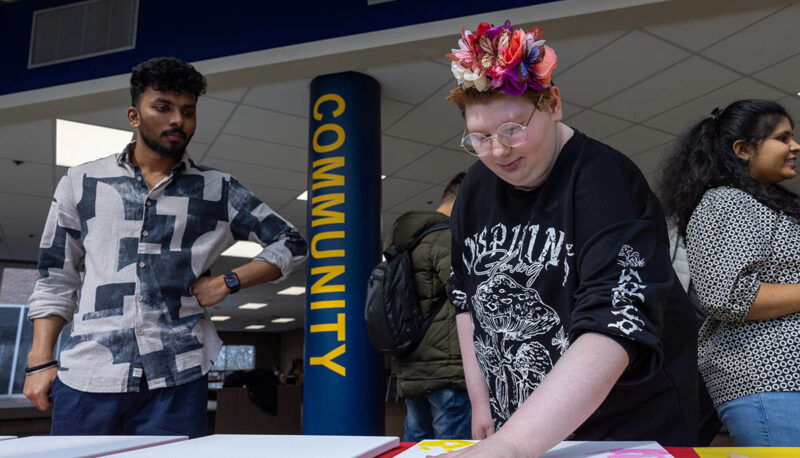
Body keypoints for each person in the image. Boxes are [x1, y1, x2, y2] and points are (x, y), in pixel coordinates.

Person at [442, 20, 698, 456]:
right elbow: (467, 297)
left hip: (625, 423)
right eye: (481, 138)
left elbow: (615, 320)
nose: (499, 152)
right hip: (526, 424)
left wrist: (512, 446)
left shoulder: (602, 180)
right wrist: (483, 400)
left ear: (554, 104)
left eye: (513, 129)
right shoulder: (475, 188)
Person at [23, 57, 307, 438]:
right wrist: (39, 360)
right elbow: (56, 278)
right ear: (134, 116)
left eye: (187, 111)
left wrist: (228, 281)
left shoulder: (217, 189)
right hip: (89, 376)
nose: (178, 120)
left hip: (176, 377)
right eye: (163, 107)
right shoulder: (82, 182)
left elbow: (291, 241)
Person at [660, 99, 800, 446]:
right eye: (782, 138)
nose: (795, 146)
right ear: (743, 149)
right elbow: (728, 296)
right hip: (769, 380)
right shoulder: (726, 202)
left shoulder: (768, 205)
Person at [383, 173, 471, 441]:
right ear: (464, 198)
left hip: (412, 366)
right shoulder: (445, 237)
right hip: (446, 368)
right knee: (450, 446)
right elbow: (466, 295)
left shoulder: (403, 241)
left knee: (416, 440)